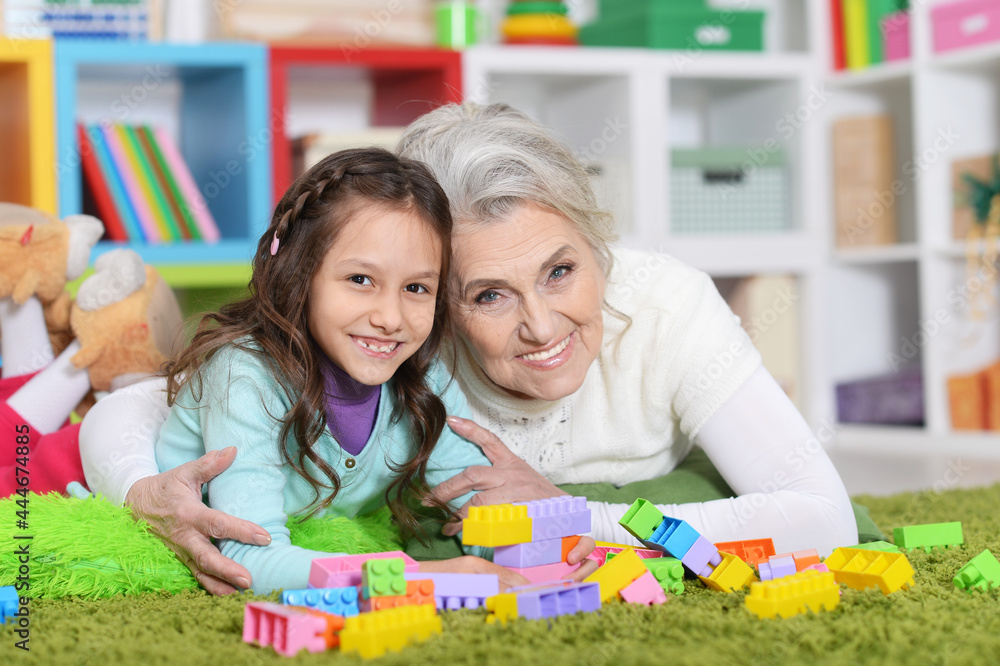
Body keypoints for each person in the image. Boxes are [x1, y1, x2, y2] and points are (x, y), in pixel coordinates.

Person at [81, 105, 858, 593]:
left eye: (562, 270)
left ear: (599, 245)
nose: (543, 326)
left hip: (651, 496)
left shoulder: (666, 303)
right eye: (488, 294)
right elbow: (139, 406)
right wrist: (140, 488)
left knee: (702, 485)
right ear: (441, 296)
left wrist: (571, 520)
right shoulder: (404, 339)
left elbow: (825, 517)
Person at [83, 147, 592, 594]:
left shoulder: (427, 376)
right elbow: (245, 554)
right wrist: (426, 579)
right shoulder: (245, 376)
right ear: (300, 274)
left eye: (417, 288)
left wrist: (541, 552)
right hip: (102, 481)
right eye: (360, 279)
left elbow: (469, 519)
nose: (390, 318)